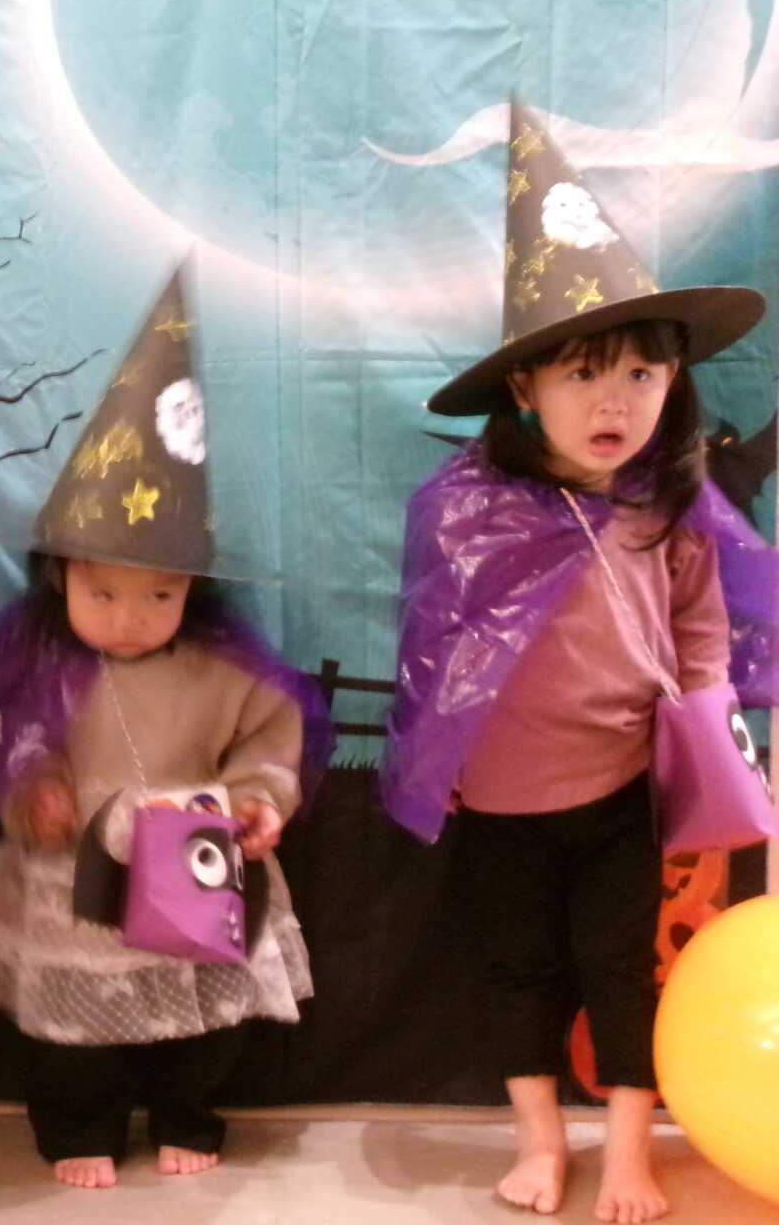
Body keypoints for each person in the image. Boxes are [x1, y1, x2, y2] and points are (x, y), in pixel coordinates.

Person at [385, 104, 774, 1223]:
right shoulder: (464, 509)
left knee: (621, 971)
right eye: (585, 373)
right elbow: (432, 648)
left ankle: (629, 1153)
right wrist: (437, 766)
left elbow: (701, 633)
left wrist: (709, 729)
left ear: (674, 384)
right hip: (501, 797)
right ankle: (541, 1141)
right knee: (519, 970)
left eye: (643, 376)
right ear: (525, 388)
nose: (616, 402)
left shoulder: (670, 507)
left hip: (622, 792)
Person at [0, 267, 324, 1191]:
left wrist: (258, 803)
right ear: (60, 576)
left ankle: (187, 1113)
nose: (129, 618)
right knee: (72, 1031)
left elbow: (269, 741)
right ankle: (79, 1127)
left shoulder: (222, 668)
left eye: (159, 596)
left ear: (193, 588)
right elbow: (5, 739)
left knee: (208, 1019)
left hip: (195, 862)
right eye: (104, 593)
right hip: (74, 875)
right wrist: (33, 791)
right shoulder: (36, 661)